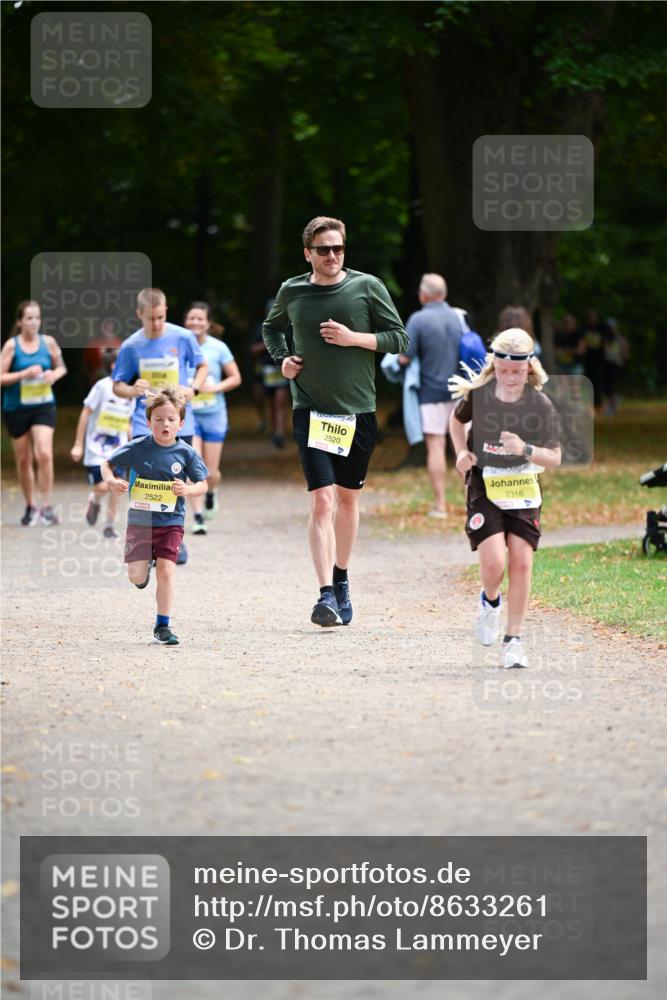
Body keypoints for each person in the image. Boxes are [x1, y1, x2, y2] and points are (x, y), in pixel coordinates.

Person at [262, 215, 408, 627]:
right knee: (322, 499)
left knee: (348, 500)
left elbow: (399, 338)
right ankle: (325, 593)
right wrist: (283, 360)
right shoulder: (292, 290)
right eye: (323, 249)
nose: (332, 255)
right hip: (311, 410)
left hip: (357, 411)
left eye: (338, 248)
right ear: (307, 253)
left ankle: (342, 578)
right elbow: (271, 329)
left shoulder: (366, 286)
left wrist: (354, 338)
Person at [448, 328, 561, 669]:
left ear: (528, 367)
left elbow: (555, 457)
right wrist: (460, 453)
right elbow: (455, 422)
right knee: (494, 563)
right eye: (503, 370)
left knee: (522, 563)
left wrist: (526, 449)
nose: (510, 377)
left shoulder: (539, 402)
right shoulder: (480, 395)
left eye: (517, 371)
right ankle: (490, 602)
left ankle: (514, 640)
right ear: (494, 364)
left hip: (524, 489)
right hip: (485, 485)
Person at [101, 387, 209, 646]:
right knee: (136, 577)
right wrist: (111, 481)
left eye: (171, 419)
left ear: (181, 424)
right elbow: (106, 463)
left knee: (167, 570)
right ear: (149, 422)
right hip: (140, 523)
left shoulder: (186, 453)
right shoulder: (138, 448)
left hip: (171, 522)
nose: (165, 424)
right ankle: (143, 568)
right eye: (159, 419)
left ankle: (163, 624)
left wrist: (188, 489)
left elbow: (203, 483)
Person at [111, 287, 209, 565]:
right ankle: (146, 539)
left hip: (178, 422)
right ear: (139, 314)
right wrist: (131, 390)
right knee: (143, 482)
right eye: (150, 318)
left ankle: (175, 539)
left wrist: (194, 389)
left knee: (177, 482)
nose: (156, 323)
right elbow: (117, 385)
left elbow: (202, 367)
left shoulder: (183, 336)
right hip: (145, 424)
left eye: (160, 317)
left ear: (166, 312)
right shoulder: (132, 346)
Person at [399, 273, 462, 518]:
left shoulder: (418, 319)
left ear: (424, 295)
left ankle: (440, 505)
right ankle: (473, 502)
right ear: (444, 294)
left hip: (431, 392)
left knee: (436, 446)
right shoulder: (460, 317)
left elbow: (405, 356)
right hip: (461, 392)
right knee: (462, 447)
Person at [1, 299, 67, 526]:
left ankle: (46, 506)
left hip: (43, 406)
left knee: (44, 454)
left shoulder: (48, 342)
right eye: (29, 318)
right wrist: (23, 374)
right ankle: (30, 506)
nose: (34, 323)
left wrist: (54, 375)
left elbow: (61, 367)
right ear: (20, 322)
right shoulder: (11, 346)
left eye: (37, 318)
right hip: (16, 408)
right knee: (23, 458)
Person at [183, 301, 242, 533]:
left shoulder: (218, 348)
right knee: (193, 466)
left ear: (208, 323)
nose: (195, 322)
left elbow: (236, 378)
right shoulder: (178, 345)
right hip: (188, 415)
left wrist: (214, 388)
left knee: (211, 471)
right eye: (191, 318)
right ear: (185, 322)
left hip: (214, 414)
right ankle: (198, 517)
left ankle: (211, 491)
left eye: (200, 319)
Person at [70, 348, 135, 538]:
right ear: (112, 365)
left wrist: (136, 446)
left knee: (118, 486)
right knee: (102, 486)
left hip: (119, 449)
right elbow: (85, 413)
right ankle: (95, 500)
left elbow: (128, 422)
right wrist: (78, 444)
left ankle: (109, 525)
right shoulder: (102, 386)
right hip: (95, 449)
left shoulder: (131, 392)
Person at [250, 300, 290, 448]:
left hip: (282, 369)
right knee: (271, 403)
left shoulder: (287, 328)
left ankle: (280, 433)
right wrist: (269, 343)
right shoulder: (261, 328)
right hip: (265, 370)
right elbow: (253, 350)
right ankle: (274, 431)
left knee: (280, 402)